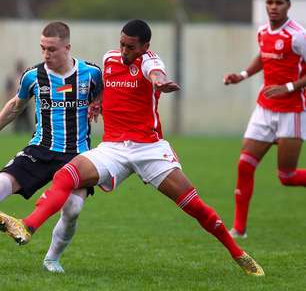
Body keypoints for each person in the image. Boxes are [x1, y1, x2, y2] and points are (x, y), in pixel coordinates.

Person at [0, 19, 264, 276]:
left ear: (145, 46)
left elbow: (155, 72)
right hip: (113, 147)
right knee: (66, 175)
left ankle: (238, 253)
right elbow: (107, 85)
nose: (125, 51)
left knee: (193, 205)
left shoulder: (150, 61)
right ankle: (27, 226)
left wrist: (160, 81)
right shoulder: (109, 60)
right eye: (122, 45)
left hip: (148, 148)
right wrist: (99, 101)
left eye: (131, 47)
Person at [0, 21, 102, 272]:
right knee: (2, 182)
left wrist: (99, 105)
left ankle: (52, 259)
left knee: (74, 209)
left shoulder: (91, 74)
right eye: (42, 48)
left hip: (77, 154)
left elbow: (105, 97)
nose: (46, 54)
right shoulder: (33, 76)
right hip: (40, 149)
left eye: (52, 50)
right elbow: (15, 107)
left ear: (67, 48)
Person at [223, 0, 306, 238]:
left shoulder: (298, 36)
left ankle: (239, 228)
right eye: (269, 2)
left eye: (278, 2)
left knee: (287, 176)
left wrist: (288, 87)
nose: (273, 7)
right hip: (264, 110)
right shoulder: (262, 31)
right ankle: (239, 229)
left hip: (291, 112)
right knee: (245, 165)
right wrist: (243, 75)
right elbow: (263, 56)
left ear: (288, 6)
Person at [5, 59, 33, 133]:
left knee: (27, 120)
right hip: (16, 100)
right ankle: (16, 133)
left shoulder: (26, 76)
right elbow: (9, 89)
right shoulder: (12, 77)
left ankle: (29, 132)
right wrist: (9, 97)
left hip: (25, 101)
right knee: (16, 119)